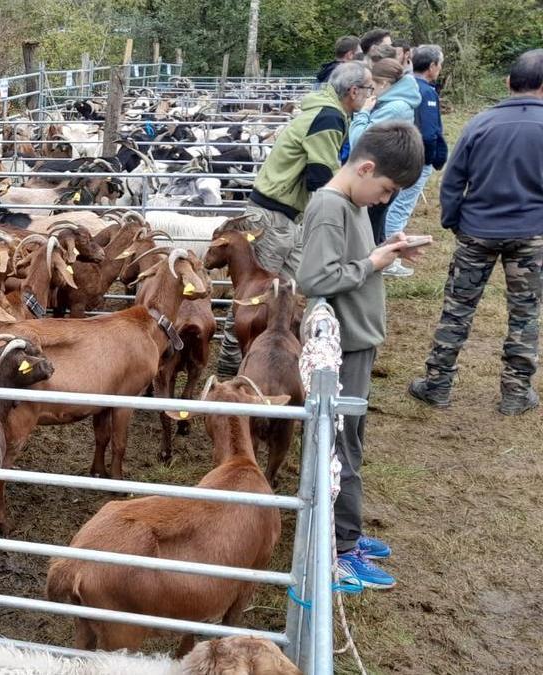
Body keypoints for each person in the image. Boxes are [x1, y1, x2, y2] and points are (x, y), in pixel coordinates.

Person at [297, 121, 427, 589]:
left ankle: (345, 532)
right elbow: (314, 278)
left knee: (350, 440)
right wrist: (373, 263)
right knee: (341, 447)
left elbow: (346, 262)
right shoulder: (330, 206)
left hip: (357, 340)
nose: (384, 199)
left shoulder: (350, 203)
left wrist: (385, 250)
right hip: (343, 346)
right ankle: (341, 547)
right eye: (386, 189)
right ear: (366, 168)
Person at [216, 61, 374, 377]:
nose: (372, 95)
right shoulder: (329, 117)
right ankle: (230, 359)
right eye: (369, 89)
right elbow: (320, 175)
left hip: (285, 215)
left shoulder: (328, 112)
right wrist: (348, 203)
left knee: (294, 289)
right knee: (256, 291)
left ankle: (280, 354)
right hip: (272, 217)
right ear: (354, 91)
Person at [409, 49, 543, 416]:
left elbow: (453, 180)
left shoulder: (480, 123)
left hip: (477, 230)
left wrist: (454, 221)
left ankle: (437, 384)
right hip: (531, 234)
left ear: (508, 82)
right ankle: (516, 393)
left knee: (457, 310)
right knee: (525, 314)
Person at [382, 45, 448, 277]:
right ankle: (389, 260)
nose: (440, 69)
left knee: (393, 204)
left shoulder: (405, 86)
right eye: (439, 64)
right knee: (400, 207)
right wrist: (432, 156)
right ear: (432, 66)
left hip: (401, 154)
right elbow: (428, 133)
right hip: (416, 159)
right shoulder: (426, 92)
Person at [348, 58, 421, 249]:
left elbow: (359, 141)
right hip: (384, 173)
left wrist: (363, 112)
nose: (370, 92)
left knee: (369, 232)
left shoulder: (394, 107)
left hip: (379, 177)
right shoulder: (396, 104)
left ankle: (374, 260)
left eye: (372, 86)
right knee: (375, 228)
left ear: (384, 84)